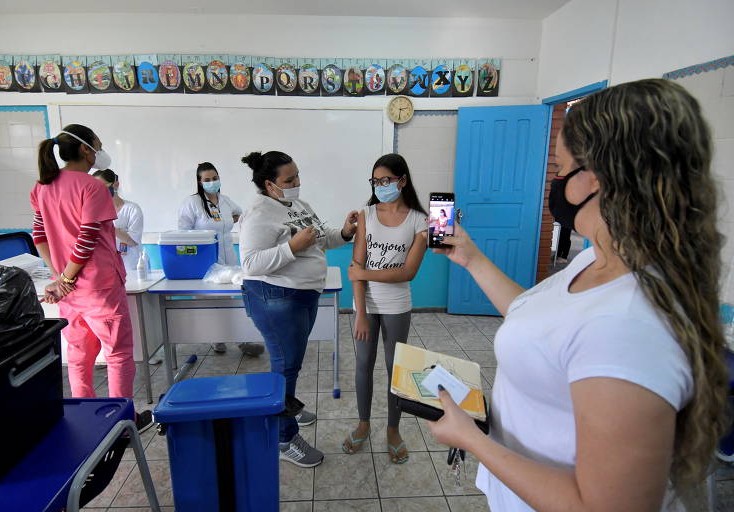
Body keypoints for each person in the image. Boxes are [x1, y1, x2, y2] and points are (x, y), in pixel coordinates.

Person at [427, 79, 729, 511]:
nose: (555, 183)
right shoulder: (601, 258)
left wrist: (472, 440)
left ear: (599, 179)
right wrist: (473, 259)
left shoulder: (628, 326)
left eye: (561, 170)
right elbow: (537, 318)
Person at [238, 150, 358, 468]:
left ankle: (287, 404)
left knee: (292, 363)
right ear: (269, 184)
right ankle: (283, 437)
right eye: (289, 179)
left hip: (301, 296)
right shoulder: (258, 213)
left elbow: (321, 239)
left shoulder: (299, 207)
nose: (297, 183)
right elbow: (250, 263)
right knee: (285, 366)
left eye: (297, 176)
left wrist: (345, 233)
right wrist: (292, 247)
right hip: (274, 297)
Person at [31, 124, 152, 430]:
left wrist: (61, 277)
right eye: (98, 145)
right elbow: (87, 238)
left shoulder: (42, 187)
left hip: (71, 293)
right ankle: (123, 422)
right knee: (118, 354)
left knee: (79, 354)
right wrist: (67, 278)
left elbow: (39, 235)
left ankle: (83, 418)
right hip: (99, 287)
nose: (101, 151)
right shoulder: (93, 187)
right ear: (86, 149)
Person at [342, 154, 428, 464]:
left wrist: (363, 273)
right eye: (376, 181)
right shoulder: (366, 214)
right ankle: (363, 423)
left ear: (402, 180)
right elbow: (356, 262)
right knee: (363, 364)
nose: (381, 186)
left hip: (397, 306)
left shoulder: (420, 220)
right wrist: (361, 313)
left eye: (386, 181)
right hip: (365, 304)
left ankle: (393, 429)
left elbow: (407, 273)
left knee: (396, 369)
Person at [178, 162, 262, 357]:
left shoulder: (225, 200)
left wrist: (226, 221)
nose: (212, 182)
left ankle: (241, 338)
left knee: (235, 299)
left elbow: (240, 214)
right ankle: (217, 338)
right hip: (206, 261)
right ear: (199, 182)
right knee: (211, 301)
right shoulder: (192, 203)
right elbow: (183, 234)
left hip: (229, 259)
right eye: (207, 180)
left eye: (214, 178)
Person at [92, 169, 144, 270]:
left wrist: (108, 226)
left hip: (129, 266)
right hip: (104, 267)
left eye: (102, 187)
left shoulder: (132, 209)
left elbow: (133, 240)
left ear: (115, 185)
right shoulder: (93, 211)